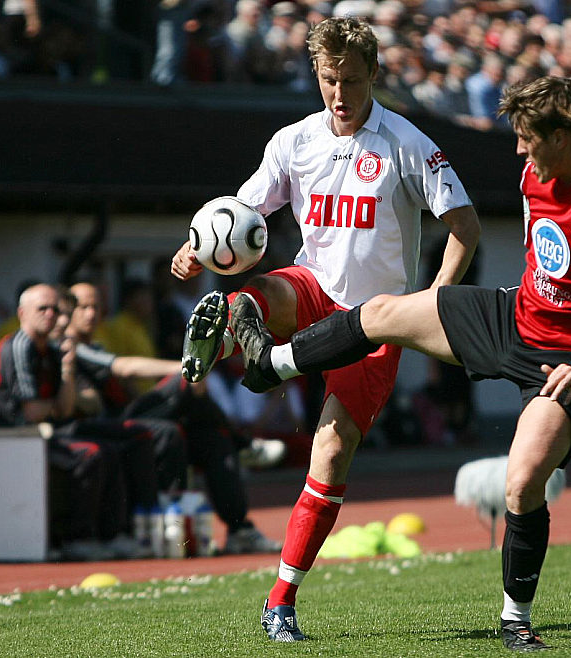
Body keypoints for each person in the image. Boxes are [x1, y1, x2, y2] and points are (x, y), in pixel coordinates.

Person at [221, 77, 571, 650]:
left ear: (563, 138)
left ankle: (515, 619)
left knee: (523, 481)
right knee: (384, 311)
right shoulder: (533, 177)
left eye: (527, 137)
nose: (519, 149)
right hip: (513, 319)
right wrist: (443, 300)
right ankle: (271, 365)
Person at [171, 16, 480, 642]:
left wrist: (435, 297)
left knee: (332, 454)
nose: (340, 94)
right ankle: (232, 335)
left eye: (352, 81)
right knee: (258, 291)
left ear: (374, 75)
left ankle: (281, 599)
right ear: (316, 74)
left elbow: (466, 228)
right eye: (329, 80)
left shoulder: (407, 142)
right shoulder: (294, 141)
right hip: (311, 289)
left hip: (375, 320)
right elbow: (241, 215)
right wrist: (197, 247)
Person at [66, 281, 283, 554]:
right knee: (185, 383)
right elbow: (125, 368)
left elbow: (127, 388)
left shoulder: (98, 345)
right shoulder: (71, 346)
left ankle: (240, 530)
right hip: (104, 426)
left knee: (213, 439)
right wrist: (186, 367)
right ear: (68, 311)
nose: (91, 313)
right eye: (83, 307)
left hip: (127, 417)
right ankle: (244, 444)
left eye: (96, 307)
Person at [0, 283, 131, 561]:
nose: (51, 315)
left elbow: (64, 409)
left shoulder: (51, 349)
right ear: (22, 313)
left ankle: (111, 534)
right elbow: (32, 412)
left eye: (55, 309)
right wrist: (54, 406)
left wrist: (68, 370)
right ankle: (76, 538)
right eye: (43, 309)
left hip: (38, 435)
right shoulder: (19, 346)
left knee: (109, 448)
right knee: (89, 453)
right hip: (9, 439)